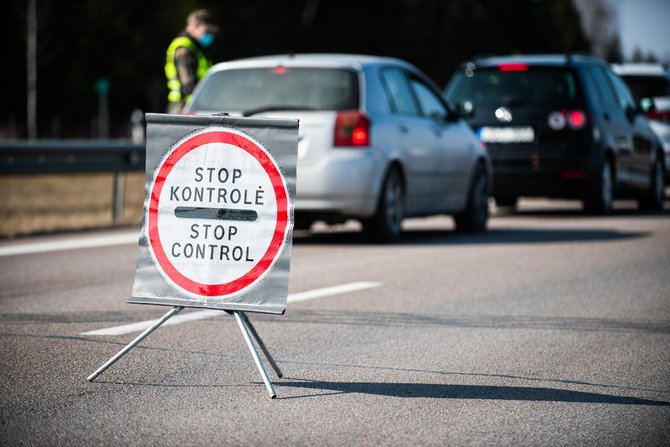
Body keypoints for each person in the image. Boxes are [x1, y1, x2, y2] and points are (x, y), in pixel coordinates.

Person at [164, 9, 219, 113]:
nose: (210, 35)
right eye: (207, 31)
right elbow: (188, 85)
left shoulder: (195, 48)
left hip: (192, 105)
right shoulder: (184, 49)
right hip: (184, 108)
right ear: (195, 26)